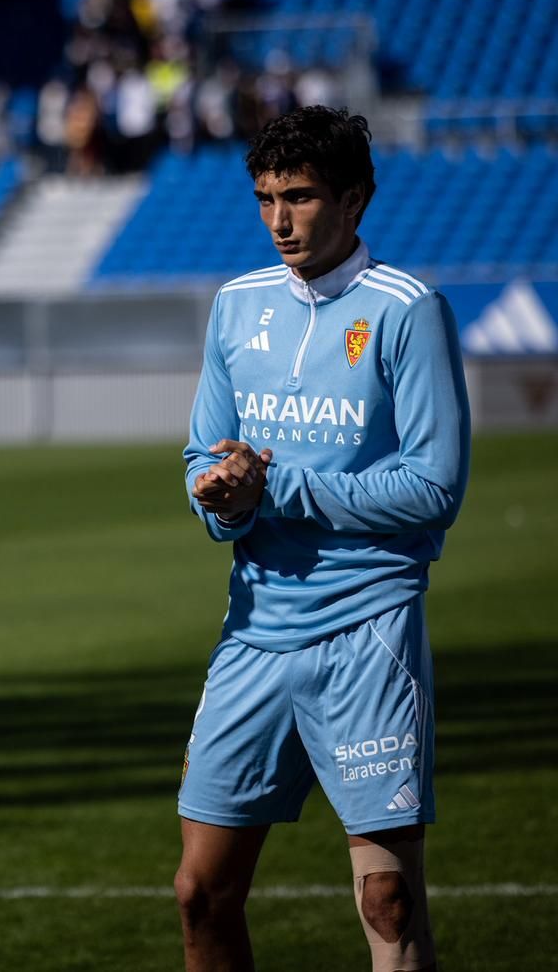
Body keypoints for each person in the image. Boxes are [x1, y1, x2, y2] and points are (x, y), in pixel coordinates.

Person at [177, 106, 469, 972]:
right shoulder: (236, 306)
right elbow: (205, 455)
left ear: (355, 199)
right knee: (200, 893)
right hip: (255, 631)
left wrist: (284, 487)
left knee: (388, 901)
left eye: (300, 198)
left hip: (367, 631)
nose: (279, 220)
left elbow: (435, 487)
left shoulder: (408, 311)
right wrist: (223, 499)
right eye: (266, 198)